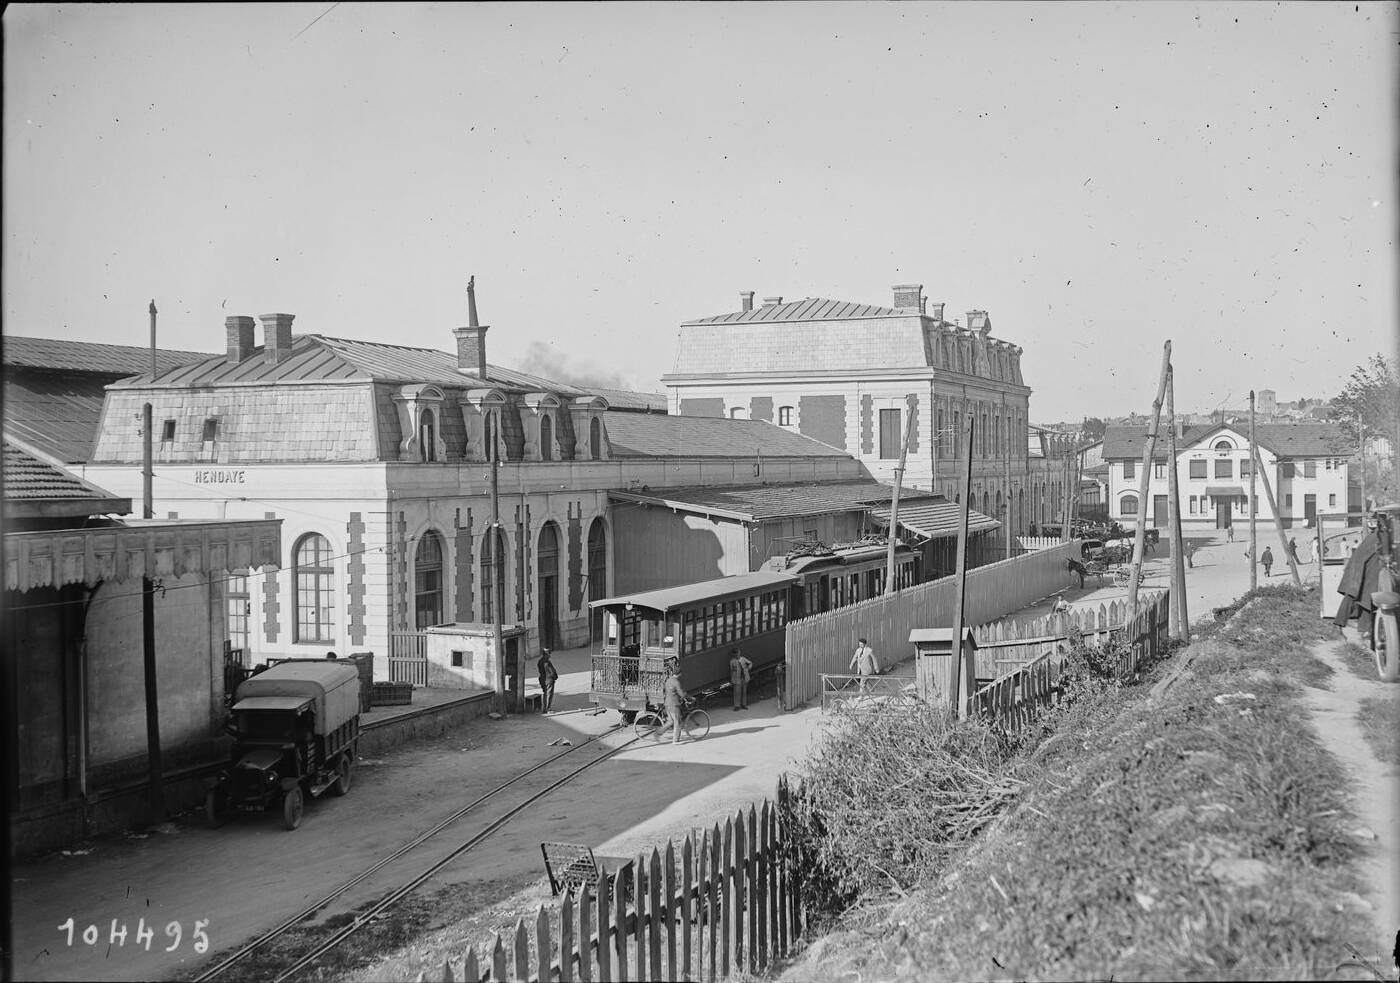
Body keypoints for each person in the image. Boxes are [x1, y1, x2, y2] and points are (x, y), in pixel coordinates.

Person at [662, 658, 688, 744]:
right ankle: (675, 740)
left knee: (670, 721)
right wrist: (687, 697)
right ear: (679, 674)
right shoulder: (676, 682)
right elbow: (681, 693)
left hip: (667, 704)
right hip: (674, 705)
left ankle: (657, 733)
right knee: (677, 722)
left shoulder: (668, 680)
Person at [538, 648, 559, 713]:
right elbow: (552, 671)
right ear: (546, 654)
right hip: (549, 680)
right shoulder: (547, 662)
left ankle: (545, 708)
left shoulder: (540, 661)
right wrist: (555, 677)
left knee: (545, 694)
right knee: (549, 694)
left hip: (542, 680)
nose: (550, 655)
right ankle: (547, 709)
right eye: (549, 654)